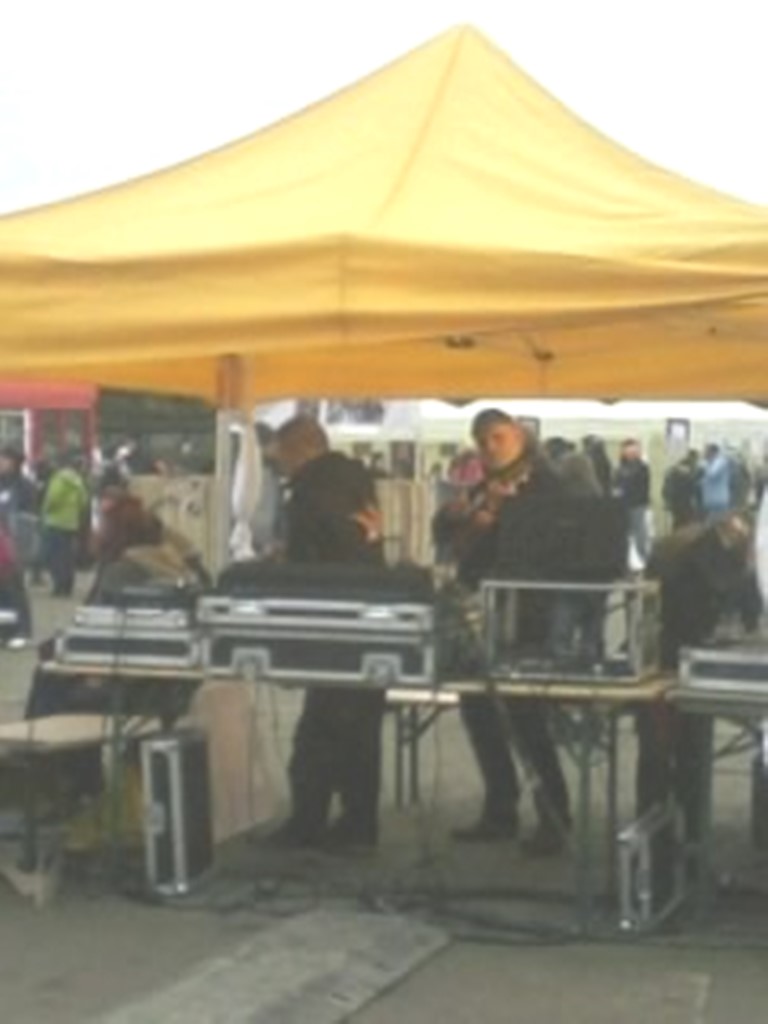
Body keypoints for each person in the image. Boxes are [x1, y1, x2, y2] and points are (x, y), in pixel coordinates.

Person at [433, 409, 571, 855]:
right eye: (482, 441)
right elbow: (451, 539)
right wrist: (465, 515)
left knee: (526, 717)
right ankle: (500, 807)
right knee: (479, 711)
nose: (490, 447)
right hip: (479, 612)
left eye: (498, 437)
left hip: (526, 614)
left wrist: (495, 513)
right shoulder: (484, 486)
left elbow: (549, 542)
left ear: (519, 435)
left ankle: (554, 814)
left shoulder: (545, 484)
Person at [266, 415, 387, 850]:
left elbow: (314, 562)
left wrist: (283, 569)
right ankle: (358, 823)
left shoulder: (312, 491)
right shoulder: (355, 479)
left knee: (319, 733)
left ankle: (309, 823)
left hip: (331, 623)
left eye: (281, 458)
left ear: (299, 449)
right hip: (367, 621)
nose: (280, 467)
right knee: (359, 734)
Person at [41, 454, 90, 596]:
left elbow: (52, 498)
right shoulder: (78, 480)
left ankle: (58, 585)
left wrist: (45, 511)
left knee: (54, 556)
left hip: (55, 521)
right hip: (71, 523)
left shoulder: (58, 478)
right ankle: (68, 585)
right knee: (67, 556)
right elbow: (84, 501)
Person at [613, 439, 652, 568]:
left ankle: (647, 564)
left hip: (637, 505)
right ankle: (624, 564)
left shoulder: (642, 467)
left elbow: (639, 486)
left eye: (634, 451)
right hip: (622, 506)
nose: (631, 453)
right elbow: (616, 484)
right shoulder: (620, 467)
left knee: (640, 536)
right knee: (623, 536)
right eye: (628, 451)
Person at [662, 450, 701, 530]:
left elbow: (665, 488)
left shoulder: (673, 469)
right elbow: (692, 487)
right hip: (684, 502)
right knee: (686, 523)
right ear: (694, 458)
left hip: (674, 502)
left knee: (677, 522)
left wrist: (667, 501)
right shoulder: (689, 469)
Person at [699, 443, 730, 521]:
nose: (704, 454)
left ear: (713, 452)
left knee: (715, 523)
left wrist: (704, 465)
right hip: (710, 501)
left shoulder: (720, 462)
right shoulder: (710, 463)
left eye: (706, 451)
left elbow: (711, 474)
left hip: (718, 502)